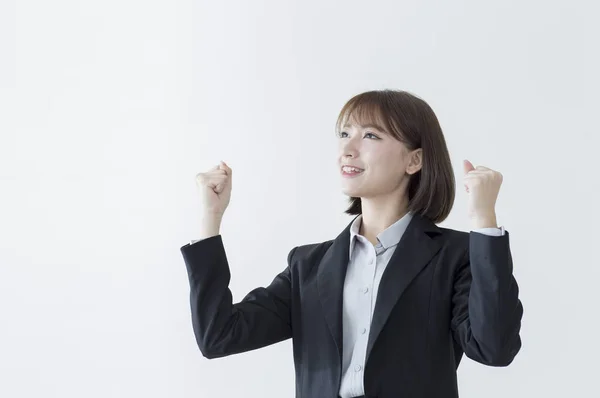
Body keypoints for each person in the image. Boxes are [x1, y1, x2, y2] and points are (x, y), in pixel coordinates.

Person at [180, 89, 523, 398]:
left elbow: (493, 348)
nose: (347, 148)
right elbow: (218, 335)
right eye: (344, 134)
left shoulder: (454, 255)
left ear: (414, 160)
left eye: (370, 135)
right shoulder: (309, 265)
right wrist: (210, 218)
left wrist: (483, 221)